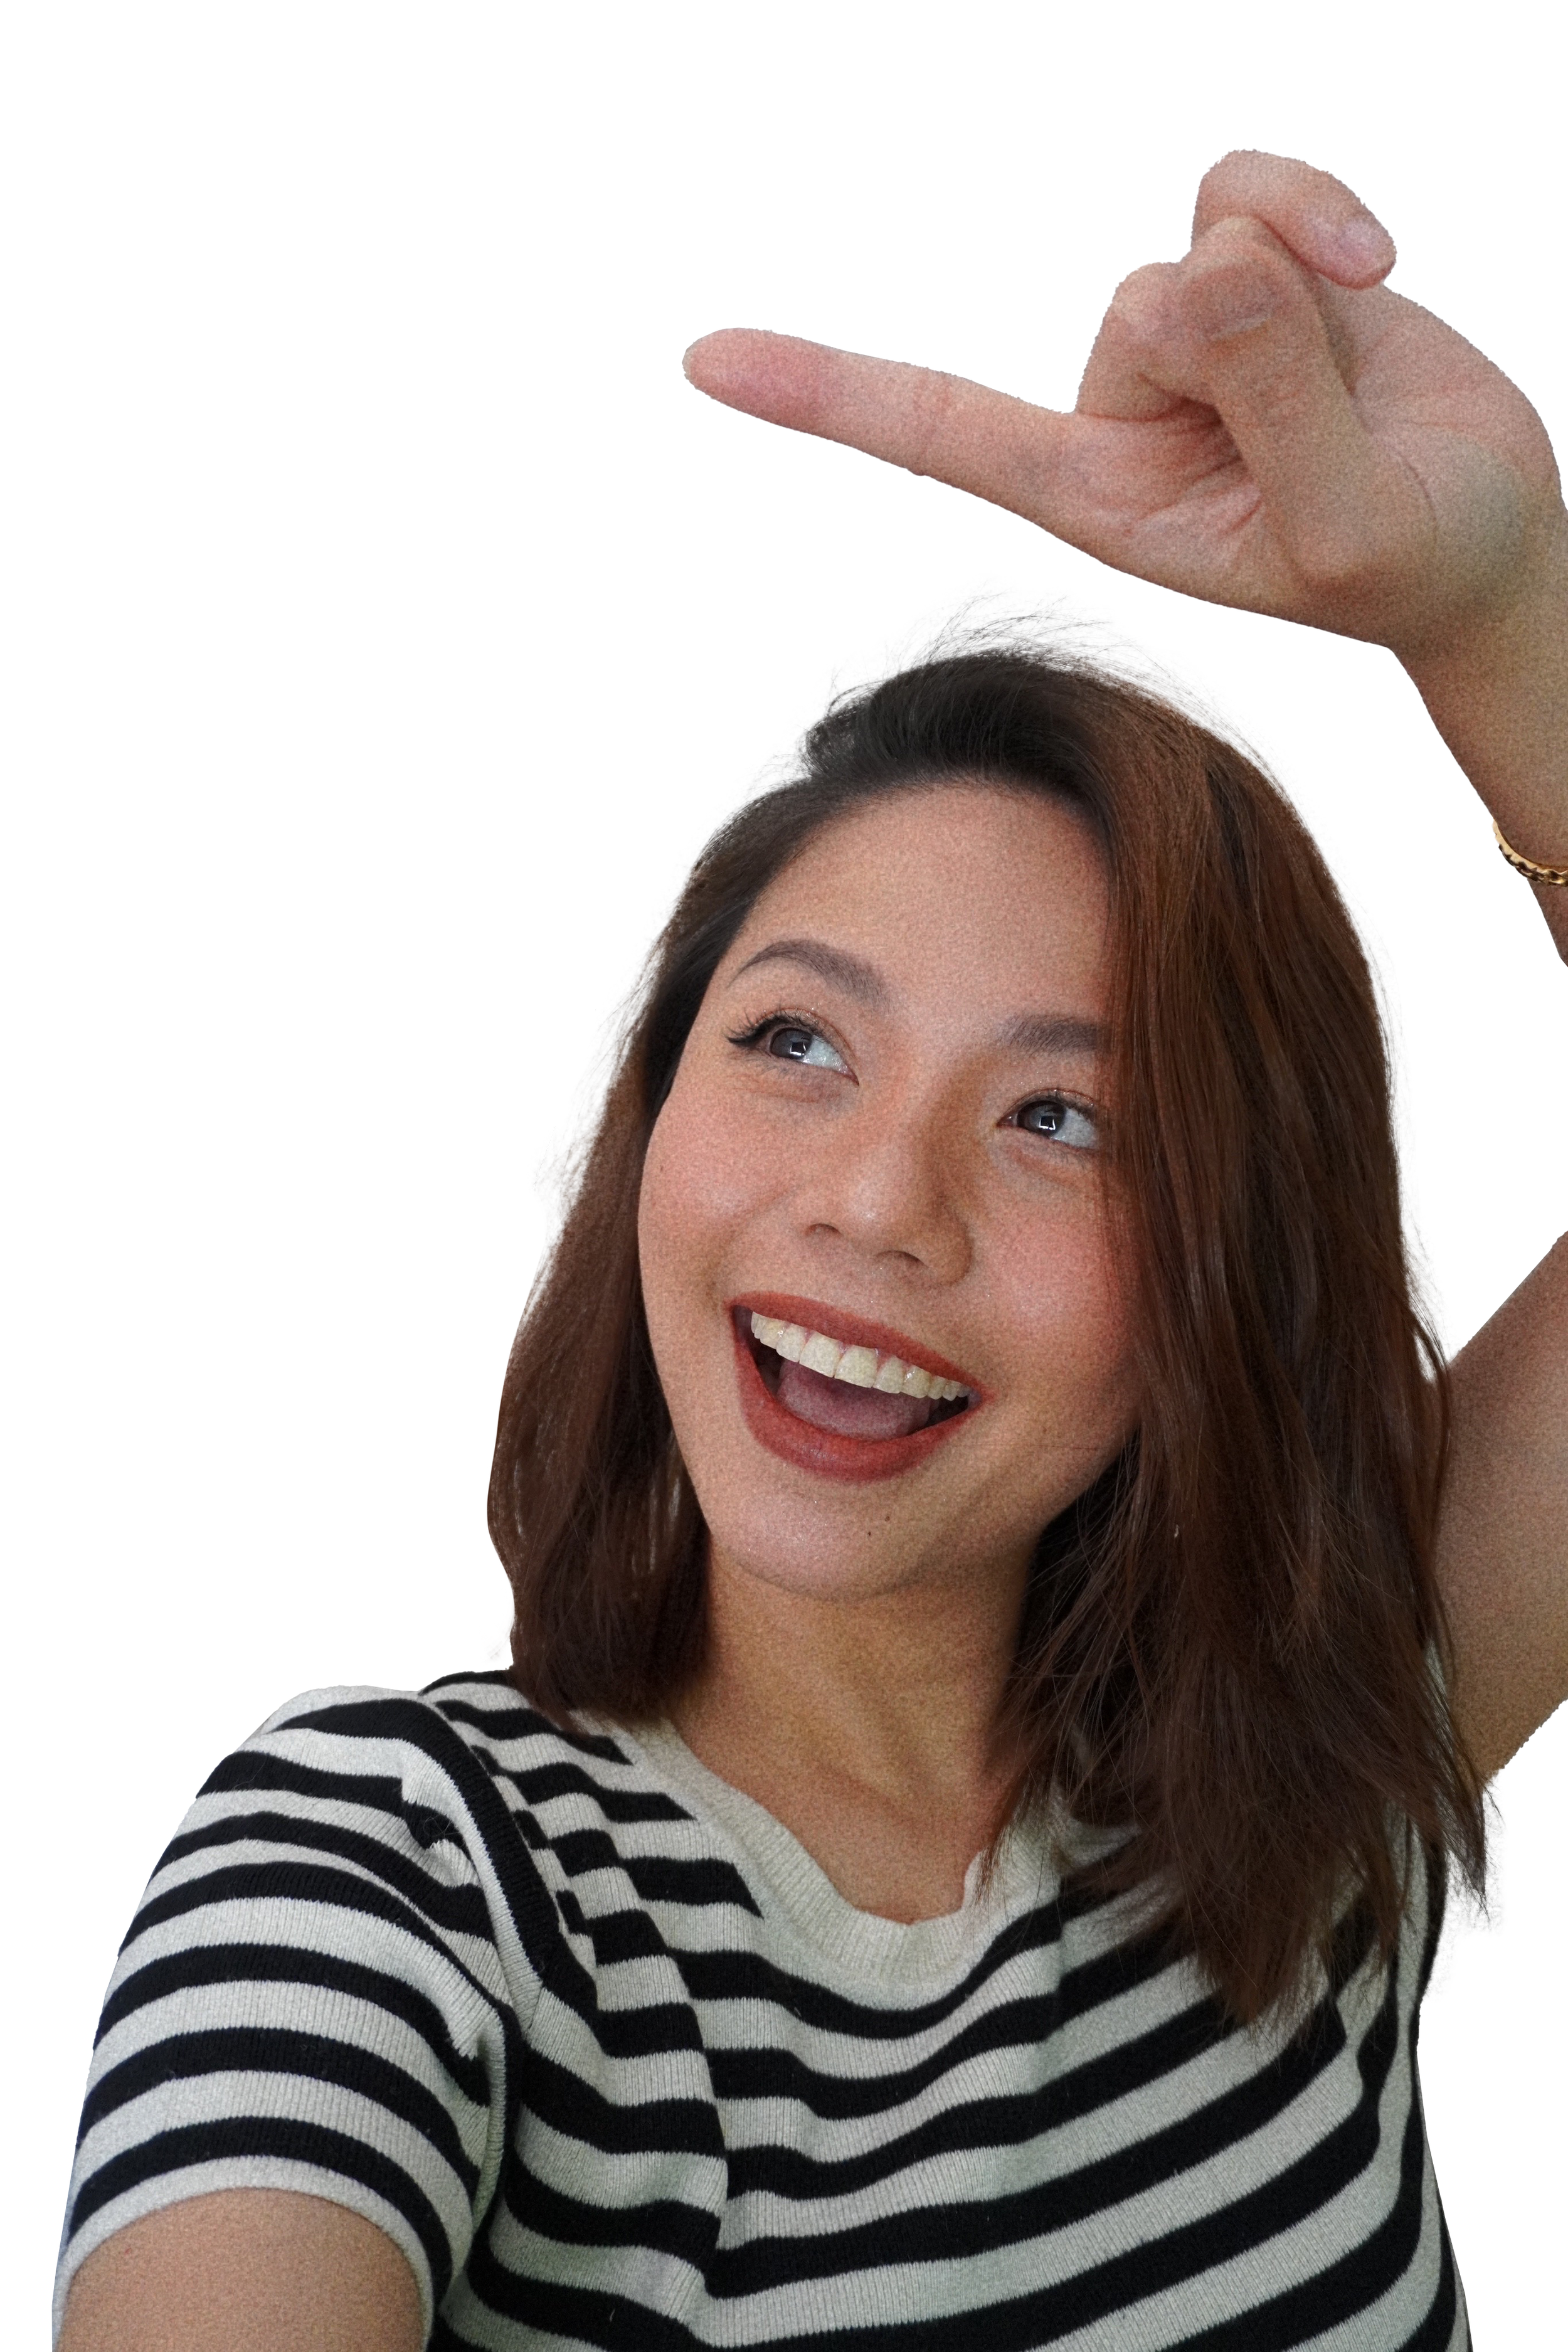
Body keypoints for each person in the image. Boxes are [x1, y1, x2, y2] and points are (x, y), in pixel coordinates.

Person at [54, 151, 1565, 2352]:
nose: (874, 1199)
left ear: (1229, 1263)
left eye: (1062, 1115)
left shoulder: (1316, 1738)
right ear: (647, 1120)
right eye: (792, 1042)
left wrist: (1504, 611)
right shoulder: (386, 1870)